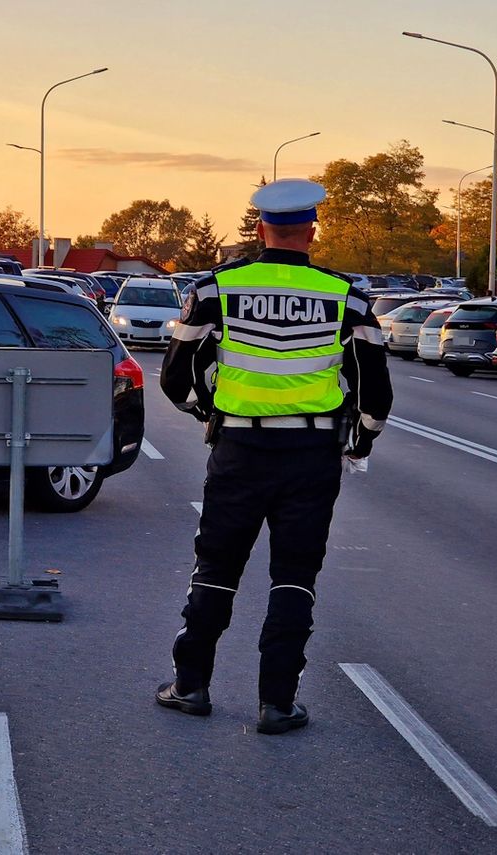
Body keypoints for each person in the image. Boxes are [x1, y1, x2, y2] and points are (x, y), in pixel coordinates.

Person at [154, 178, 393, 735]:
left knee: (216, 568)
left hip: (240, 450)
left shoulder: (216, 289)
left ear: (261, 229)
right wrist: (361, 437)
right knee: (295, 575)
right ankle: (277, 703)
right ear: (311, 231)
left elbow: (177, 379)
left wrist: (210, 410)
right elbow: (373, 388)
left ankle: (190, 686)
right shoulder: (347, 295)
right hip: (311, 455)